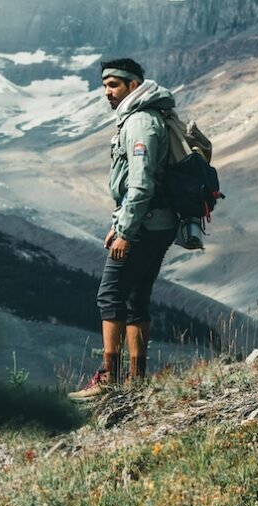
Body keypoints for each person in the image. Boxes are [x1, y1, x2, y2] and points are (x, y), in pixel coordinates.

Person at [69, 58, 180, 400]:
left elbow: (141, 184)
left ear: (134, 86)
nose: (107, 92)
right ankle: (137, 378)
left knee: (110, 295)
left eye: (114, 85)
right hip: (155, 222)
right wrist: (118, 224)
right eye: (104, 85)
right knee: (135, 298)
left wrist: (125, 232)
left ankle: (109, 378)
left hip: (145, 226)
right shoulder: (143, 117)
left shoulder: (141, 123)